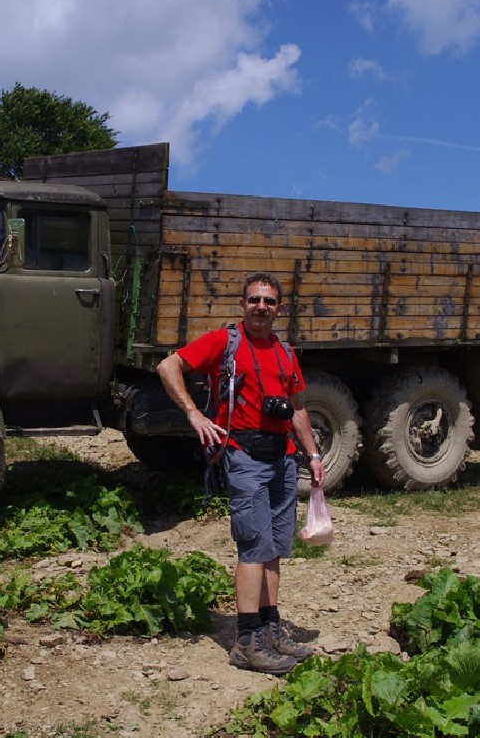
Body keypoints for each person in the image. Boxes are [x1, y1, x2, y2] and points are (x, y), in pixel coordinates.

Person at [156, 271, 325, 675]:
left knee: (275, 547)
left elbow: (297, 407)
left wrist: (313, 454)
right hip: (243, 456)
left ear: (280, 309)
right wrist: (194, 413)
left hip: (282, 458)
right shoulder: (225, 342)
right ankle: (247, 642)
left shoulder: (285, 351)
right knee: (254, 546)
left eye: (269, 301)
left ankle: (269, 627)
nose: (261, 307)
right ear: (242, 304)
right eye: (254, 300)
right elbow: (168, 366)